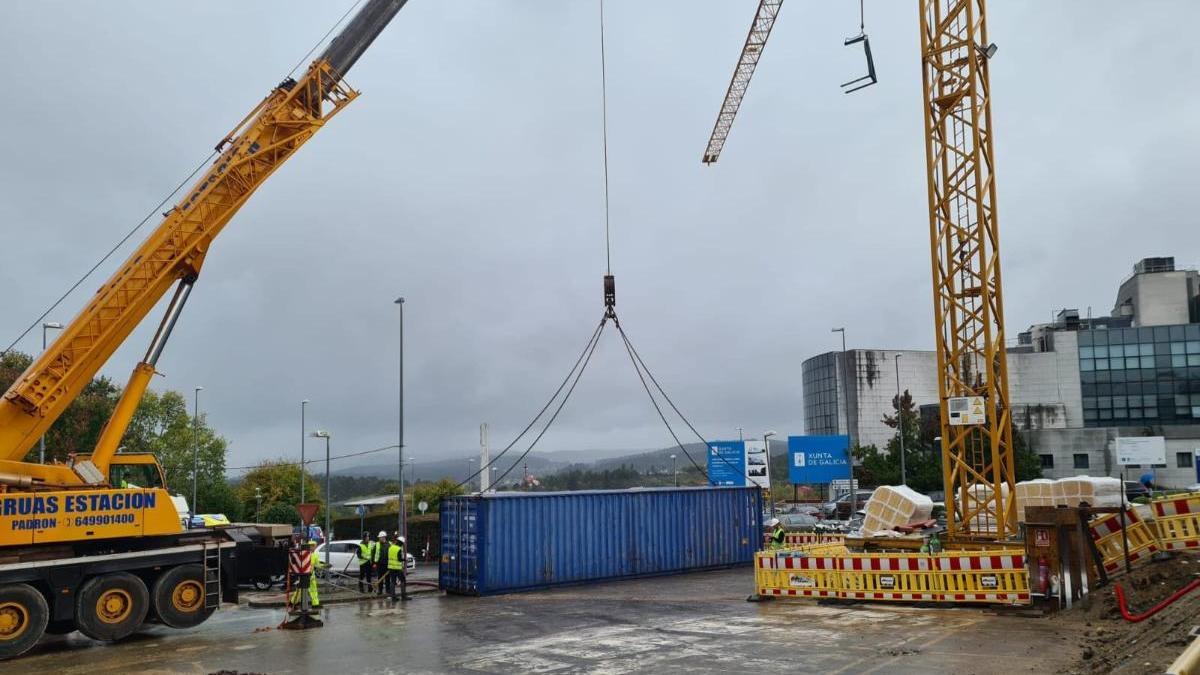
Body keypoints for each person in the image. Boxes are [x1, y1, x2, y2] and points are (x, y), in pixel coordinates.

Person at [289, 540, 324, 609]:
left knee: (310, 590)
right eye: (313, 546)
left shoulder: (312, 554)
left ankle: (315, 604)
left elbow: (317, 564)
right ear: (310, 546)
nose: (314, 547)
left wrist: (324, 565)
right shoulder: (307, 554)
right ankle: (293, 602)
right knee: (301, 590)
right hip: (306, 575)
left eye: (314, 546)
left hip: (310, 575)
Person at [386, 531, 411, 601]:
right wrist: (405, 560)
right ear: (401, 543)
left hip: (391, 568)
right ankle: (403, 596)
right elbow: (399, 559)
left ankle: (393, 597)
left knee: (393, 582)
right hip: (397, 568)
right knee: (403, 580)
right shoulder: (398, 549)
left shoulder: (391, 547)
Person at [373, 531, 389, 596]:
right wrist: (374, 563)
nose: (379, 539)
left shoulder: (389, 544)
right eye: (379, 538)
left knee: (387, 578)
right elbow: (373, 554)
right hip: (379, 564)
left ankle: (388, 590)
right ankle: (380, 591)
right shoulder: (376, 544)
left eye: (380, 537)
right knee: (380, 578)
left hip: (387, 564)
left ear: (384, 537)